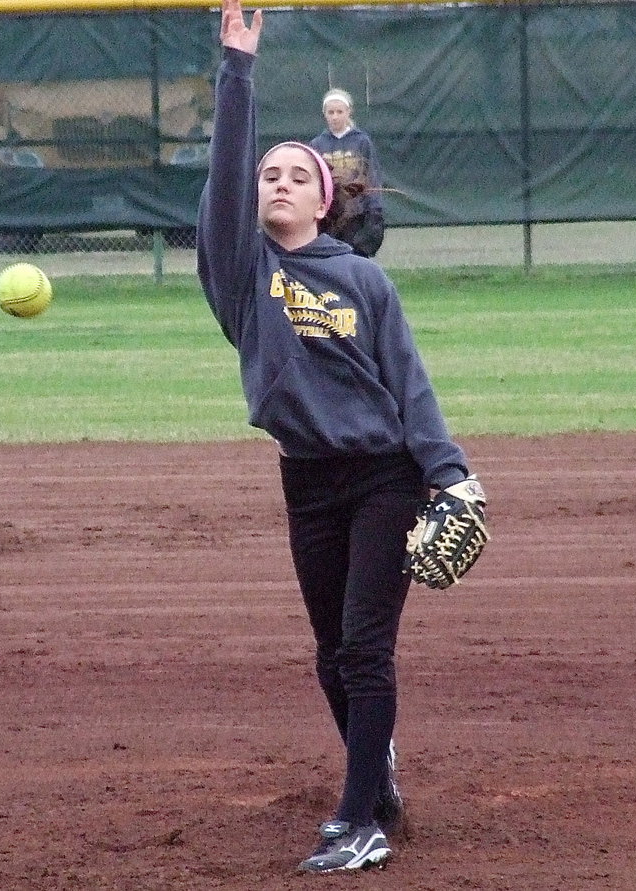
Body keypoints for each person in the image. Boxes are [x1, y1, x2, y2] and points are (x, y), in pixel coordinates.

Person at [197, 0, 486, 873]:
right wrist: (237, 70)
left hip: (386, 477)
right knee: (331, 655)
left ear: (324, 199)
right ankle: (377, 768)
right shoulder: (245, 278)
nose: (277, 181)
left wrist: (453, 475)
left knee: (365, 645)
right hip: (309, 482)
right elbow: (223, 178)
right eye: (268, 174)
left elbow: (411, 384)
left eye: (296, 174)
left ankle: (359, 819)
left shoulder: (364, 280)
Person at [309, 87, 386, 258]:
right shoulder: (317, 144)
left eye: (339, 111)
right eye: (331, 112)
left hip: (356, 217)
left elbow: (371, 176)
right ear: (325, 114)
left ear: (348, 112)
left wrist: (374, 211)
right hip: (329, 217)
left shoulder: (361, 141)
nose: (335, 116)